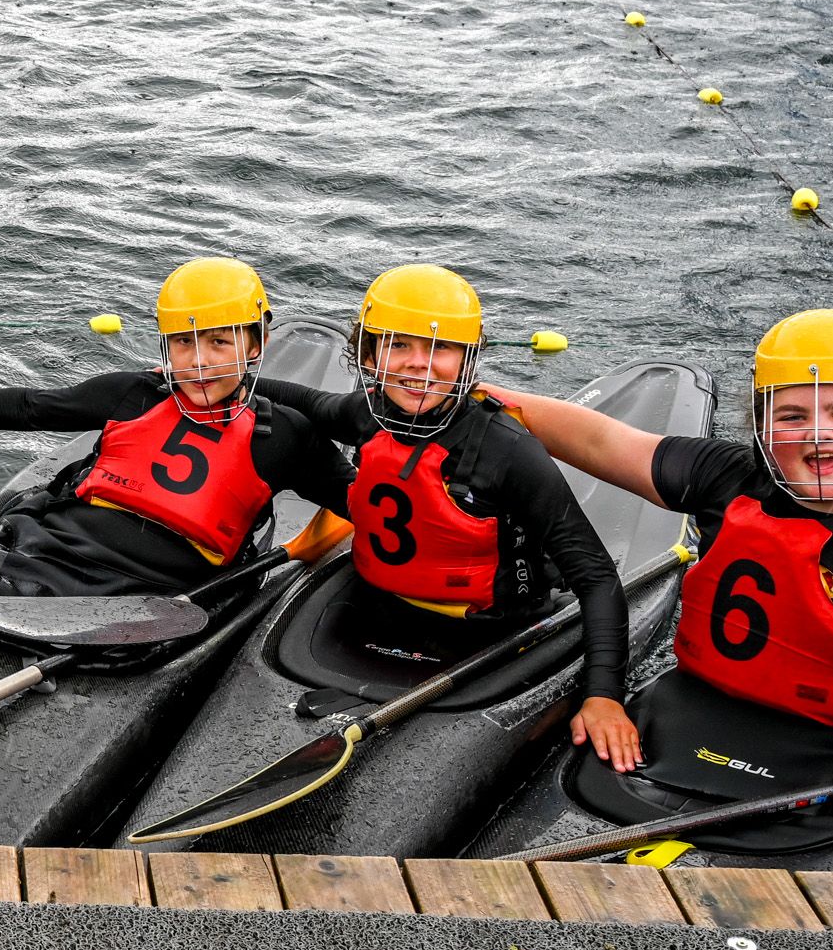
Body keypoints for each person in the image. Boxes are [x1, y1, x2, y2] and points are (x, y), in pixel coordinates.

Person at [493, 309, 833, 873]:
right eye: (792, 414)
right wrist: (472, 393)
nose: (818, 434)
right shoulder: (729, 477)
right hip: (693, 720)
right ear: (761, 424)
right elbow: (600, 439)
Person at [252, 264, 639, 769]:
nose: (421, 366)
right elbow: (312, 402)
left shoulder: (506, 450)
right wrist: (232, 381)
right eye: (399, 347)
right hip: (381, 602)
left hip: (485, 628)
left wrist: (605, 693)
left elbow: (594, 575)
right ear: (369, 354)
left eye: (442, 349)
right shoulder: (368, 413)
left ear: (467, 361)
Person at [0, 256, 354, 596]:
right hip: (57, 550)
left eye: (218, 343)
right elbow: (30, 407)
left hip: (167, 587)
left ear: (257, 343)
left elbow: (367, 505)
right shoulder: (136, 393)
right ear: (166, 344)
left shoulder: (287, 435)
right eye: (184, 344)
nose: (201, 362)